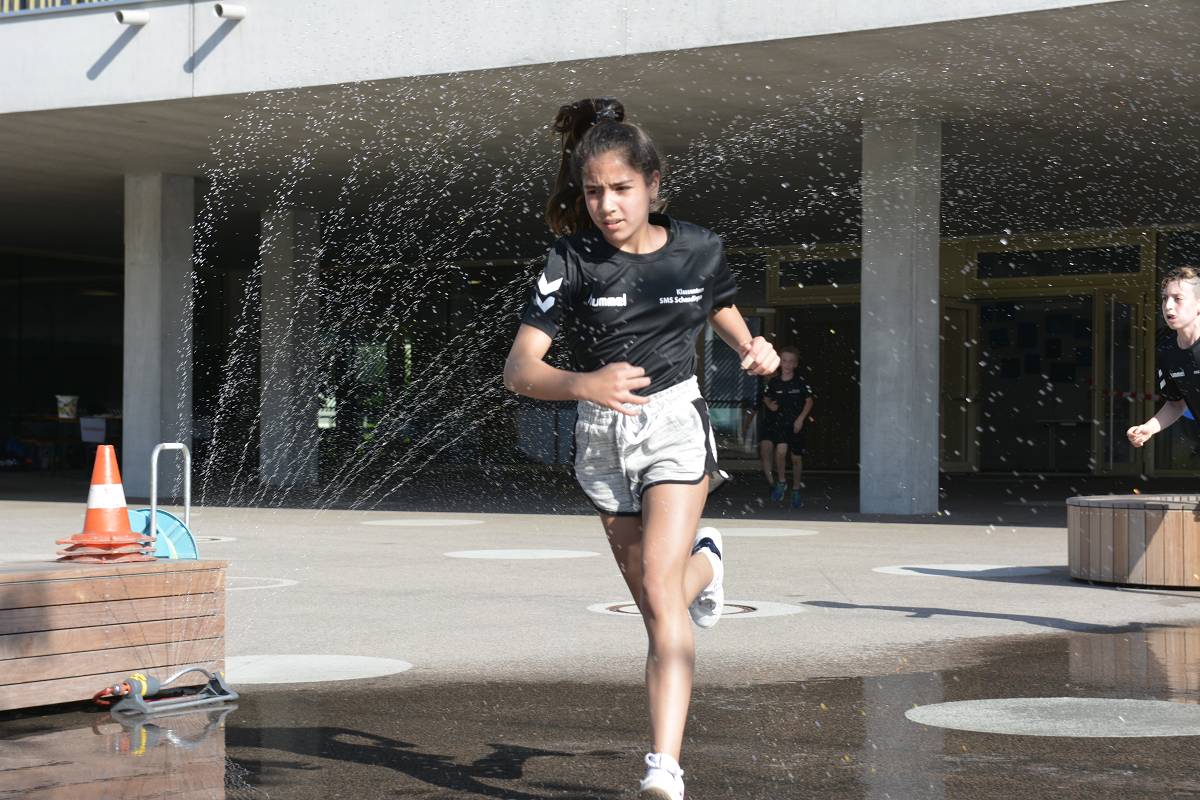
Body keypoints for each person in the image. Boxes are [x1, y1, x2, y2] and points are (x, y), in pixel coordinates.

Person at [503, 97, 779, 800]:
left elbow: (717, 304)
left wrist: (751, 346)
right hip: (601, 436)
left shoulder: (698, 247)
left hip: (675, 423)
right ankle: (707, 566)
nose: (607, 205)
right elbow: (520, 371)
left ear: (654, 184)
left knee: (658, 592)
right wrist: (583, 383)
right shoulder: (572, 259)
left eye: (621, 188)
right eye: (594, 191)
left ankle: (665, 767)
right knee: (659, 603)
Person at [1129, 266, 1200, 452]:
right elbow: (1176, 403)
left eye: (1178, 299)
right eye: (1165, 298)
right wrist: (1149, 428)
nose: (1168, 305)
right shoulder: (1167, 349)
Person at [757, 346, 814, 508]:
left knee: (796, 459)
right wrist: (770, 405)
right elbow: (765, 397)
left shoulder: (801, 382)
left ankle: (796, 489)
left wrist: (800, 419)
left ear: (795, 364)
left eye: (791, 361)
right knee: (780, 452)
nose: (787, 364)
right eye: (784, 361)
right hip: (780, 423)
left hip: (796, 425)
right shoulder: (774, 382)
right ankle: (781, 481)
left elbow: (809, 401)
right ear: (780, 362)